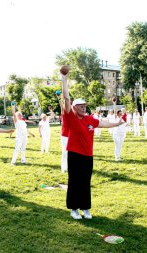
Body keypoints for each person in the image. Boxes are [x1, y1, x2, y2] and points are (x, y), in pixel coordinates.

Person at [61, 72, 124, 220]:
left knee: (85, 182)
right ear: (74, 107)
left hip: (88, 156)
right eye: (80, 106)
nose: (83, 108)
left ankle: (86, 208)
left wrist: (117, 123)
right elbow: (66, 98)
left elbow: (103, 124)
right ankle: (74, 209)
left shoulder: (90, 119)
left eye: (84, 106)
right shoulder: (71, 117)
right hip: (75, 154)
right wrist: (64, 79)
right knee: (75, 182)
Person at [56, 91, 69, 173]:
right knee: (64, 152)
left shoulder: (73, 115)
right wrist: (59, 98)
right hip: (64, 136)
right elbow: (62, 106)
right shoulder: (64, 114)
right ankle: (63, 168)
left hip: (72, 136)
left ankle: (69, 167)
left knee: (71, 153)